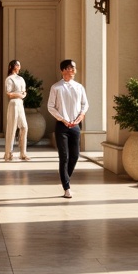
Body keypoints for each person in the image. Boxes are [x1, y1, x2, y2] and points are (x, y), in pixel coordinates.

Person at [46, 59, 88, 199]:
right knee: (64, 157)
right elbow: (50, 106)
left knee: (75, 156)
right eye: (70, 68)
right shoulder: (56, 87)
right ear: (63, 70)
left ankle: (66, 178)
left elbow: (85, 104)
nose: (73, 70)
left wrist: (80, 117)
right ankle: (67, 187)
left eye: (74, 68)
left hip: (75, 126)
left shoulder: (79, 87)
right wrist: (62, 119)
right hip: (61, 126)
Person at [3, 59, 29, 162]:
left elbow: (24, 91)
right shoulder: (9, 79)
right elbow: (9, 94)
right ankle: (8, 153)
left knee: (24, 127)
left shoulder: (21, 79)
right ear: (12, 66)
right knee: (12, 127)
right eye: (17, 65)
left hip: (20, 103)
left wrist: (23, 95)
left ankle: (23, 153)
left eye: (19, 65)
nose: (19, 67)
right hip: (13, 103)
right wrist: (20, 95)